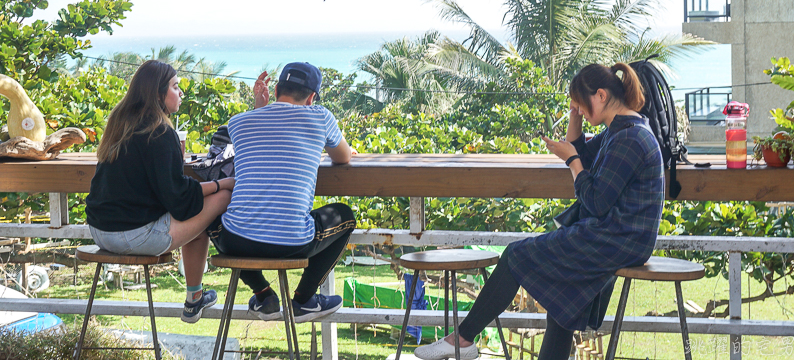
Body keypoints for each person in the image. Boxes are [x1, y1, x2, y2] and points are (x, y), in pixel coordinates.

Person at [414, 63, 665, 360]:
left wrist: (571, 160)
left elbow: (595, 201)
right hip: (617, 235)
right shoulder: (621, 129)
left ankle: (463, 339)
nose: (579, 110)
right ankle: (463, 339)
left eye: (581, 104)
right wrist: (575, 118)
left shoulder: (629, 137)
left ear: (600, 95)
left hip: (619, 239)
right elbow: (579, 149)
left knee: (515, 255)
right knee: (563, 307)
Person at [86, 60, 235, 324]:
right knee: (219, 200)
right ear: (158, 93)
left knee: (196, 212)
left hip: (99, 231)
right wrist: (223, 184)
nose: (181, 93)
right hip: (132, 236)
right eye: (176, 87)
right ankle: (197, 297)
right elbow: (178, 200)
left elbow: (167, 191)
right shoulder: (160, 132)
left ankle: (195, 298)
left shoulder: (119, 125)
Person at [206, 62, 356, 323]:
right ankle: (304, 300)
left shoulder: (239, 123)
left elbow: (262, 136)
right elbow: (342, 157)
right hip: (294, 243)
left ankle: (264, 296)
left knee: (210, 215)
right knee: (344, 215)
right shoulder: (320, 116)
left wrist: (259, 108)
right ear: (311, 97)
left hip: (236, 240)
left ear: (276, 90)